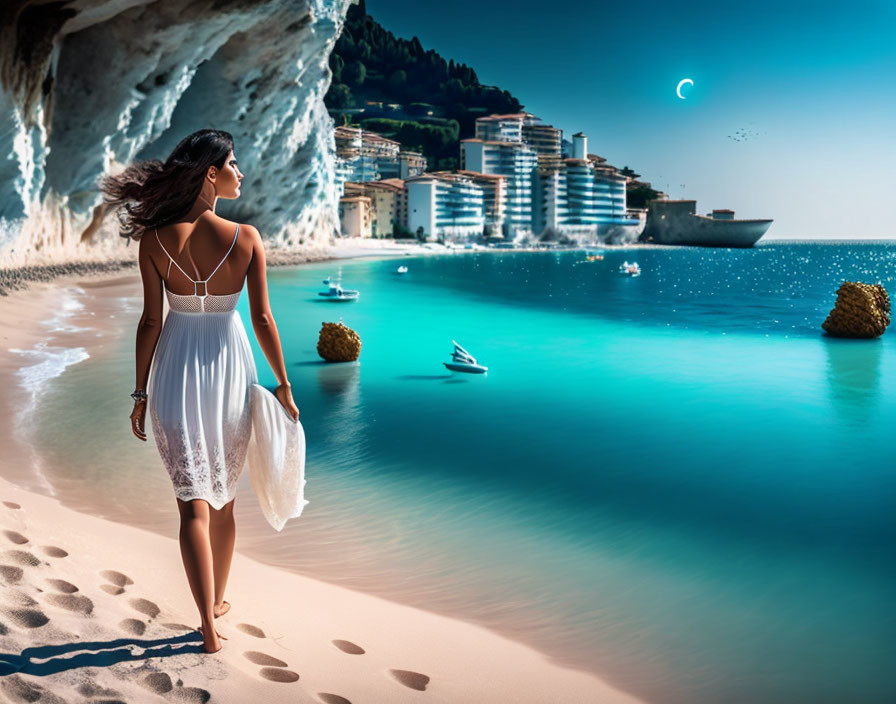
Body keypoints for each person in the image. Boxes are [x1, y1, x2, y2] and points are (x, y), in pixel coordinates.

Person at [100, 129, 300, 654]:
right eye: (233, 163)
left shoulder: (154, 241)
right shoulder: (247, 238)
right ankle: (216, 606)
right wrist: (282, 383)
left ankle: (208, 628)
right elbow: (261, 319)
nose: (241, 172)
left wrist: (139, 394)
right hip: (231, 369)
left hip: (176, 372)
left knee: (192, 504)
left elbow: (150, 321)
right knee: (225, 503)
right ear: (211, 172)